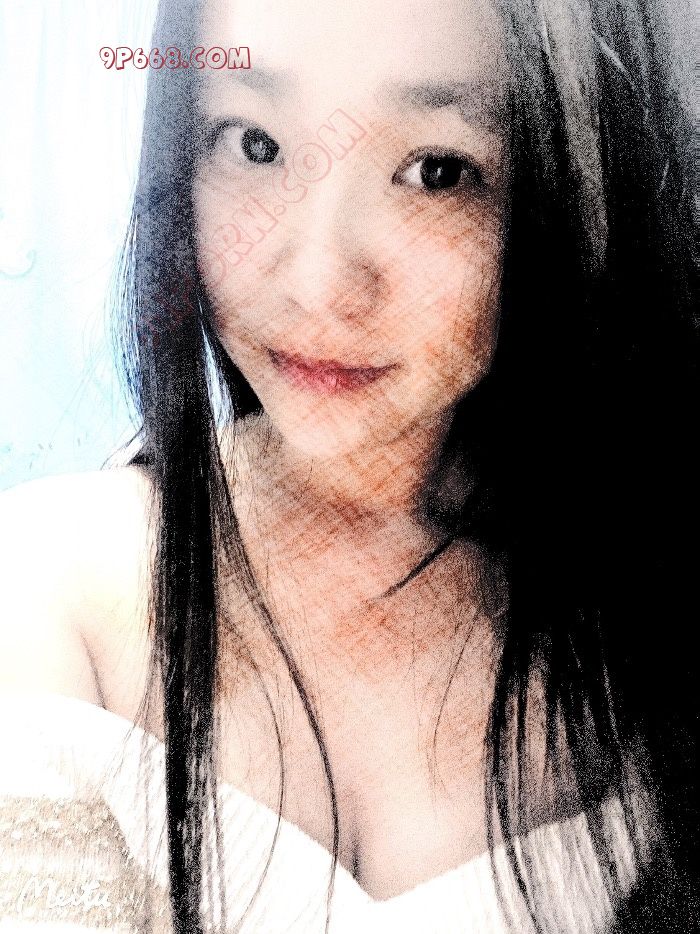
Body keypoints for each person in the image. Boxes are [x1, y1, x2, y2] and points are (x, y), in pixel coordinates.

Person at [0, 0, 697, 931]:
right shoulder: (51, 586)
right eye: (252, 144)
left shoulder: (651, 610)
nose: (317, 282)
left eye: (437, 171)